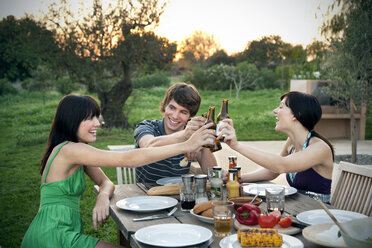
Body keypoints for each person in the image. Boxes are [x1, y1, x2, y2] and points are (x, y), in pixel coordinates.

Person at [21, 94, 215, 248]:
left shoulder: (76, 150)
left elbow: (106, 182)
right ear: (71, 120)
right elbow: (128, 159)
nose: (97, 123)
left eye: (97, 117)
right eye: (90, 118)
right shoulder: (70, 150)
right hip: (53, 237)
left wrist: (103, 197)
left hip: (62, 233)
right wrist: (186, 144)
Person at [218, 91, 334, 203]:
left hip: (321, 214)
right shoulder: (291, 143)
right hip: (299, 207)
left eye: (281, 107)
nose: (275, 111)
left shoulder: (320, 148)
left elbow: (281, 166)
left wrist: (237, 146)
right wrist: (240, 178)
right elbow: (273, 171)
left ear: (297, 114)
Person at [134, 82, 217, 184]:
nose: (175, 116)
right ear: (165, 106)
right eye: (172, 108)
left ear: (190, 116)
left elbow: (213, 175)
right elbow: (148, 145)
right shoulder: (147, 126)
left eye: (183, 112)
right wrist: (184, 136)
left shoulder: (192, 135)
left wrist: (204, 143)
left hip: (180, 195)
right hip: (145, 195)